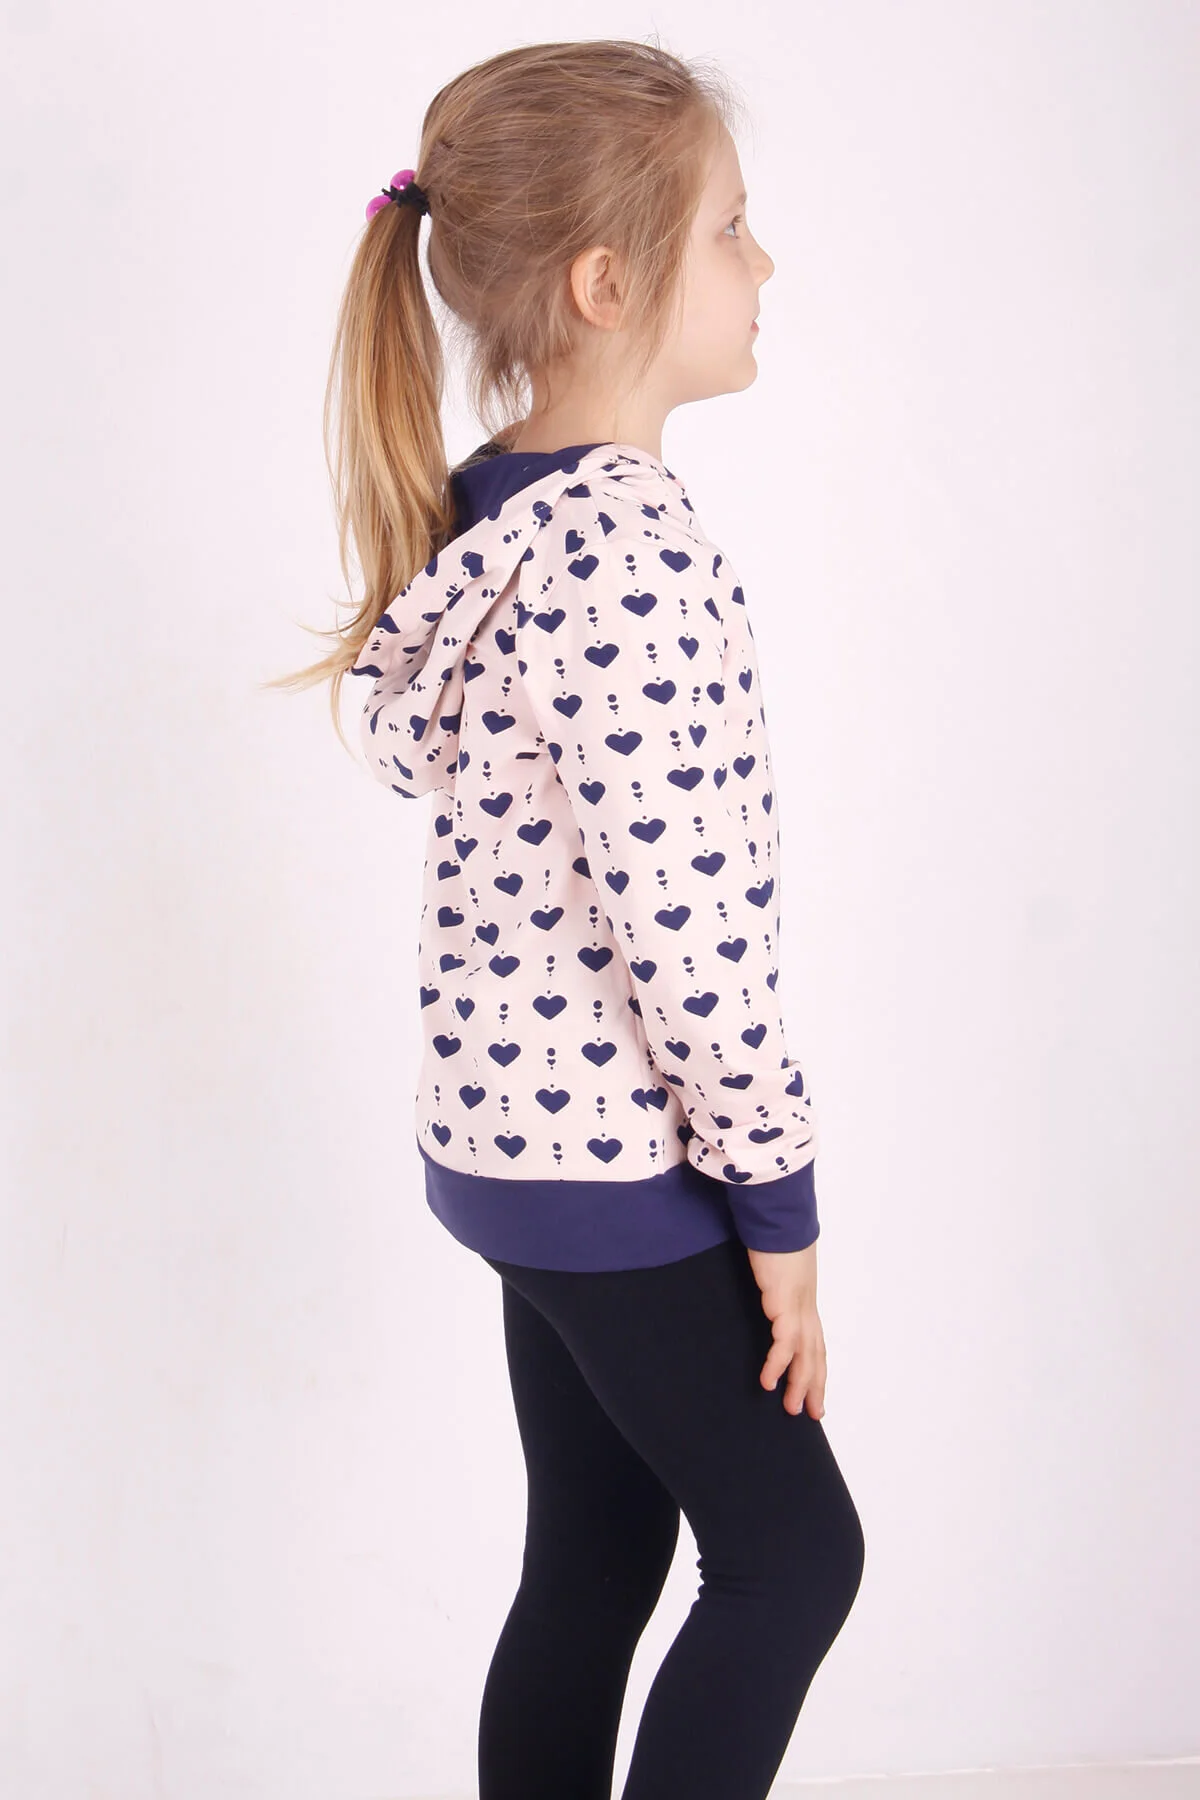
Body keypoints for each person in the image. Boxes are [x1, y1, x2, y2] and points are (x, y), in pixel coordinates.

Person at [269, 36, 865, 1800]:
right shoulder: (629, 552)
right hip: (621, 1167)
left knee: (595, 1560)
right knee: (793, 1559)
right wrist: (778, 1205)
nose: (765, 264)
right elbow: (692, 932)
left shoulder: (503, 524)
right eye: (733, 230)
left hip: (512, 1152)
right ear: (608, 284)